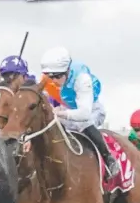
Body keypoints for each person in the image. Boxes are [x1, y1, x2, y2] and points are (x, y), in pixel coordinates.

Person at [39, 46, 121, 179]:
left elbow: (84, 114)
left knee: (83, 124)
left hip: (92, 111)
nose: (54, 81)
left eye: (58, 76)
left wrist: (60, 113)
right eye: (50, 77)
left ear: (67, 70)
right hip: (69, 109)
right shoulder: (50, 76)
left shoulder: (82, 79)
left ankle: (109, 160)